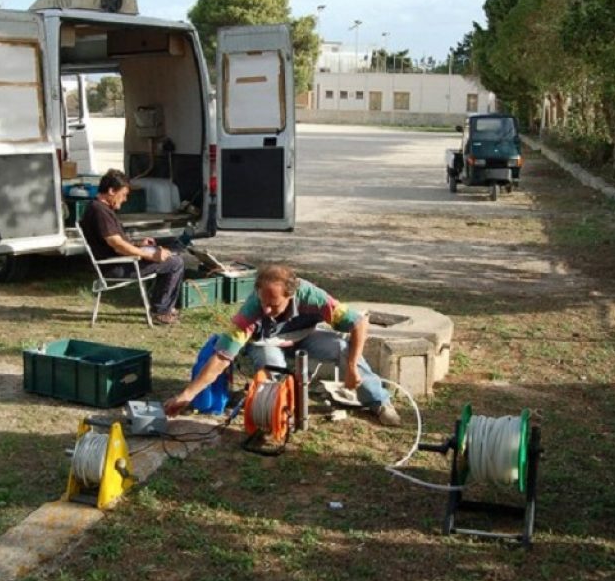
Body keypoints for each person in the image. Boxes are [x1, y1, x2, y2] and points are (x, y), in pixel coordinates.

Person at [163, 263, 401, 426]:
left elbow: (358, 323)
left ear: (291, 295)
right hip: (265, 344)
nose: (266, 309)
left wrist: (350, 367)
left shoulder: (314, 298)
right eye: (262, 301)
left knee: (340, 347)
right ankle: (277, 415)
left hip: (304, 337)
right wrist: (187, 395)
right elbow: (222, 356)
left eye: (274, 305)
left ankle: (378, 401)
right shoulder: (251, 311)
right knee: (273, 362)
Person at [79, 169, 185, 324]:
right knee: (175, 263)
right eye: (123, 194)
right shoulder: (99, 211)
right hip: (115, 267)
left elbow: (117, 242)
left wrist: (138, 245)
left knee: (170, 255)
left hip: (120, 261)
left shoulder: (100, 209)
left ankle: (162, 307)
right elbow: (117, 244)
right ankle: (160, 311)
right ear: (111, 191)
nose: (125, 199)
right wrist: (149, 255)